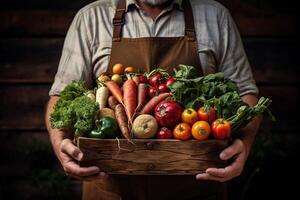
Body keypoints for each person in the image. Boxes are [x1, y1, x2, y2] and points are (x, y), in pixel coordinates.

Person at [45, 0, 262, 199]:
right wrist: (60, 143)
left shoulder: (215, 16)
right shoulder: (91, 18)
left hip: (198, 188)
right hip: (110, 191)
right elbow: (62, 96)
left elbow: (245, 93)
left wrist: (244, 143)